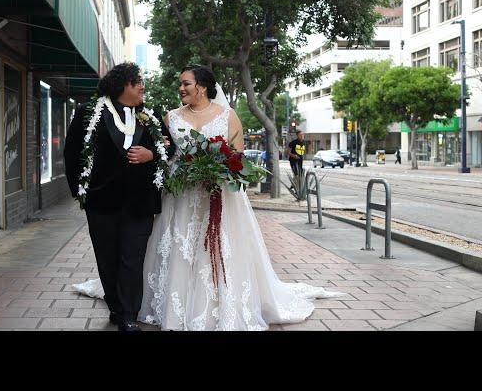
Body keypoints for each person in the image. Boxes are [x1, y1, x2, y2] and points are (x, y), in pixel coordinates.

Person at [73, 65, 342, 330]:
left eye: (186, 84)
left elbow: (237, 156)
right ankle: (151, 305)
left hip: (218, 194)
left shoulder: (228, 116)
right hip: (180, 196)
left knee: (215, 250)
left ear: (201, 87)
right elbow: (166, 152)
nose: (181, 88)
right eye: (180, 84)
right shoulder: (170, 117)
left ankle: (215, 305)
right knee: (176, 250)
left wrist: (219, 169)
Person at [64, 62, 175, 332]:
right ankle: (115, 307)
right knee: (107, 258)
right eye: (137, 81)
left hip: (140, 202)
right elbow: (71, 155)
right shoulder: (88, 112)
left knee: (132, 258)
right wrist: (83, 195)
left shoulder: (150, 114)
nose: (142, 86)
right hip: (101, 203)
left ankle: (128, 315)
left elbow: (168, 150)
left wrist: (151, 154)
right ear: (122, 84)